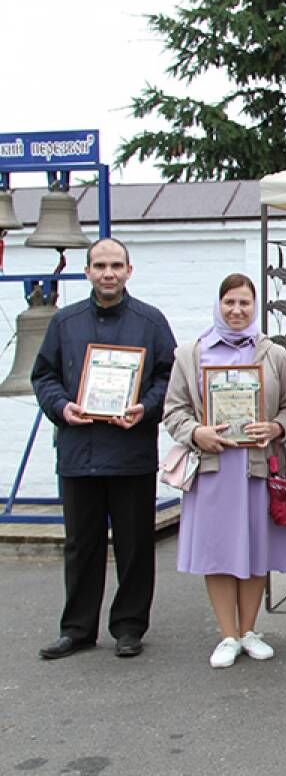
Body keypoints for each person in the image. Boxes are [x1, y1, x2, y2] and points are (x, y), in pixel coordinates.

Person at [33, 237, 176, 660]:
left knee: (134, 544)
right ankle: (77, 629)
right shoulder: (64, 322)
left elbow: (169, 378)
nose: (108, 273)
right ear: (87, 272)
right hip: (79, 452)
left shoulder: (150, 322)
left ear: (129, 271)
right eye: (100, 266)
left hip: (131, 451)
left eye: (116, 265)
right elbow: (44, 376)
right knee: (81, 544)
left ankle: (129, 626)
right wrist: (62, 406)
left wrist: (145, 407)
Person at [163, 274, 286, 668]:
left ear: (254, 307)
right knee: (219, 551)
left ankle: (249, 629)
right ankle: (227, 634)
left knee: (256, 548)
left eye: (245, 303)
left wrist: (277, 427)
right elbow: (173, 410)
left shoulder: (273, 354)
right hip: (213, 468)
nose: (237, 310)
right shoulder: (191, 354)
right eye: (230, 303)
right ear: (218, 304)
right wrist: (196, 432)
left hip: (258, 467)